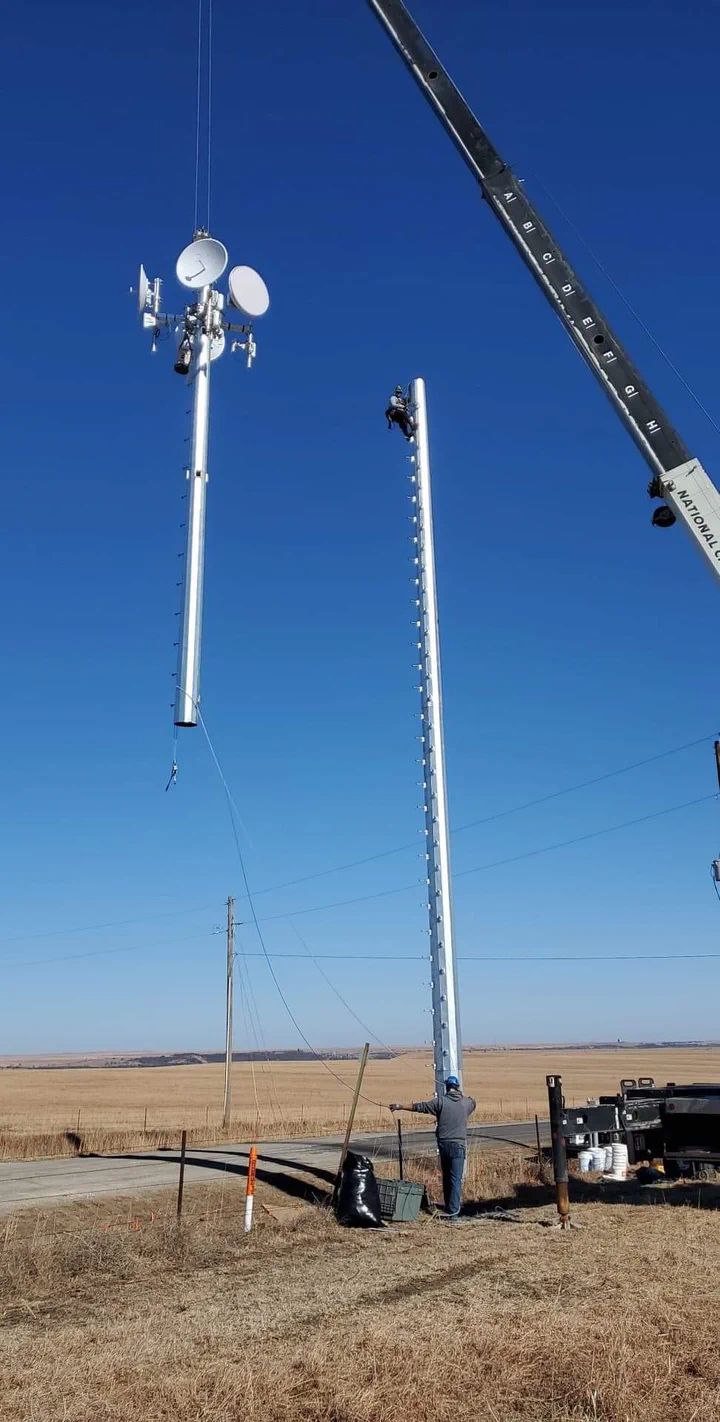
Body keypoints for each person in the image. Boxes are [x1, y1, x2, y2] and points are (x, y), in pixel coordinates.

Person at [389, 1075, 476, 1218]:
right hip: (458, 1146)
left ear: (447, 1087)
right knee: (455, 1179)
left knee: (447, 1177)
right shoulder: (466, 1103)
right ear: (458, 1087)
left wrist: (400, 1106)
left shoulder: (441, 1102)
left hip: (443, 1145)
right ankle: (453, 1212)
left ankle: (450, 1207)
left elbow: (420, 1107)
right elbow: (474, 1102)